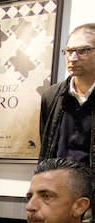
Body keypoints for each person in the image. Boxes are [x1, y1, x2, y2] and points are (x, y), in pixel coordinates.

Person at [39, 23, 95, 167]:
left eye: (83, 50)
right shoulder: (51, 96)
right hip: (58, 187)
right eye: (69, 51)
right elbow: (46, 148)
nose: (73, 58)